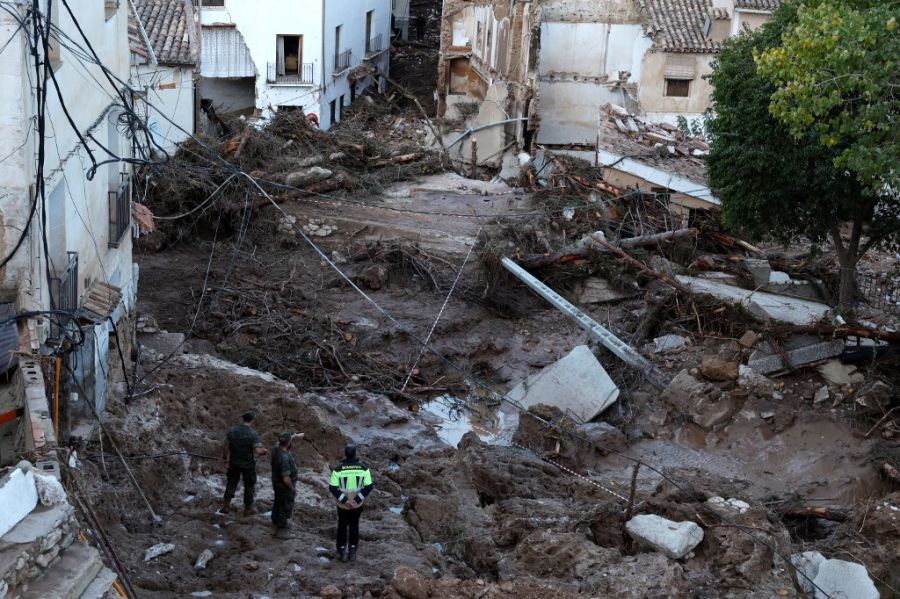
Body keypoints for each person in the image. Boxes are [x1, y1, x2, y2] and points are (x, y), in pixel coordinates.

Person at [329, 445, 374, 562]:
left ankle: (342, 551)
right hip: (357, 504)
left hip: (342, 505)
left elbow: (333, 488)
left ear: (345, 453)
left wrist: (345, 500)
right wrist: (356, 500)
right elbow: (369, 486)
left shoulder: (338, 469)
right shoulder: (364, 468)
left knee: (342, 527)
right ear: (355, 454)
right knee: (354, 526)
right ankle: (353, 551)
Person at [220, 411, 267, 516]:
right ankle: (247, 509)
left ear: (243, 419)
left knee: (231, 483)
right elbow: (258, 451)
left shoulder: (232, 431)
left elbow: (226, 446)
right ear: (252, 420)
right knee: (249, 485)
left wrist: (224, 458)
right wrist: (265, 451)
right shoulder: (252, 433)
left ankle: (226, 506)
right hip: (248, 465)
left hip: (234, 463)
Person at [270, 431, 304, 537]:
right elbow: (286, 479)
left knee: (277, 501)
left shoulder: (275, 448)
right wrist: (292, 489)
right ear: (289, 443)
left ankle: (275, 520)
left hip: (276, 482)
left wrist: (294, 436)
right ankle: (282, 530)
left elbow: (279, 442)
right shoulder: (284, 457)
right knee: (285, 506)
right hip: (284, 485)